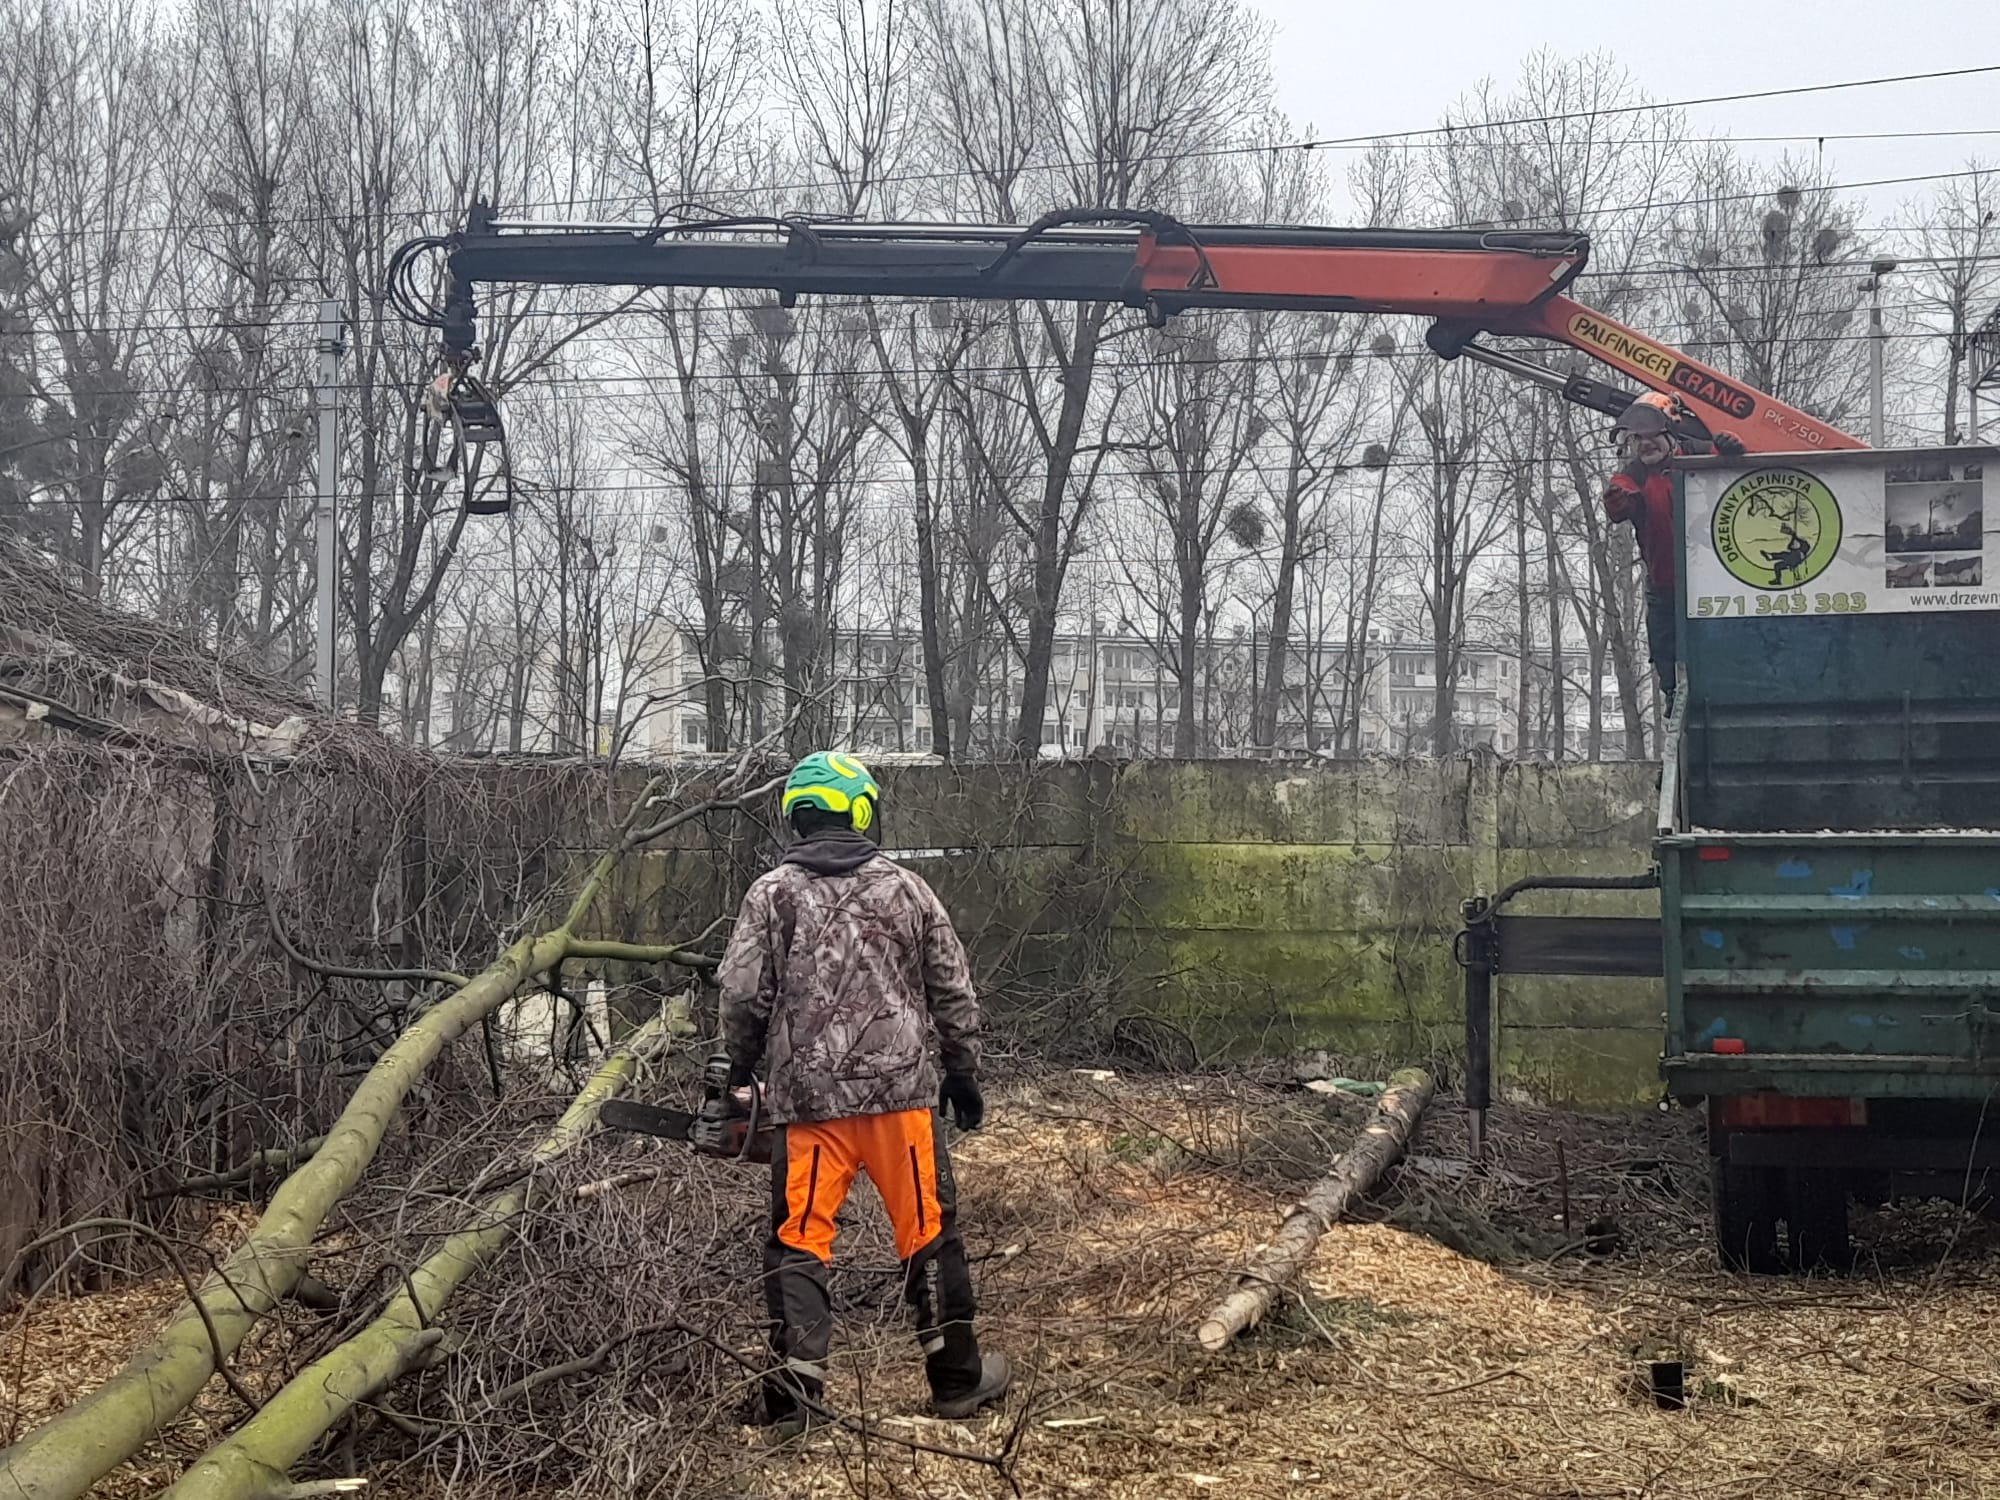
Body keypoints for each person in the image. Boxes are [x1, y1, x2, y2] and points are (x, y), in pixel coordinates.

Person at [717, 750, 1011, 1444]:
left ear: (796, 815)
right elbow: (952, 989)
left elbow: (740, 994)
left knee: (799, 1240)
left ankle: (796, 1400)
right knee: (928, 1232)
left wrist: (740, 1065)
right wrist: (963, 1070)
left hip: (810, 1105)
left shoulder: (772, 894)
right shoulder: (909, 889)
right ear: (861, 810)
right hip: (900, 1098)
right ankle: (957, 1380)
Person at [1600, 392, 1744, 714]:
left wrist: (1731, 448)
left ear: (1672, 432)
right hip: (1665, 586)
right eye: (1637, 439)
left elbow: (1731, 461)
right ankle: (1672, 698)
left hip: (1715, 584)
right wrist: (1618, 500)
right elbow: (1620, 500)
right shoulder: (1633, 475)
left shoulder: (1700, 454)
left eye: (1651, 437)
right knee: (1665, 648)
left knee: (1722, 649)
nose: (1644, 445)